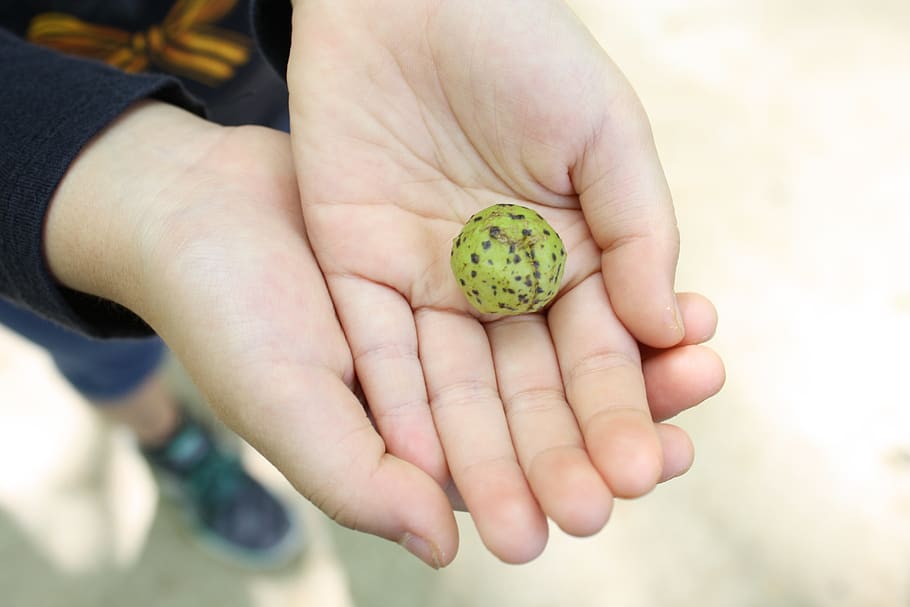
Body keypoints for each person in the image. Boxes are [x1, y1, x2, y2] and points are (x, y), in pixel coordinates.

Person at [0, 0, 725, 569]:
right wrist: (100, 177)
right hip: (50, 197)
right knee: (108, 356)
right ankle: (166, 439)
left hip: (320, 81)